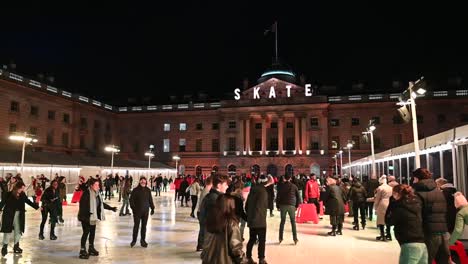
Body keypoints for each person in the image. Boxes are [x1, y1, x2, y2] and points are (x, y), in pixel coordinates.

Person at [412, 168, 450, 264]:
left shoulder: (418, 193)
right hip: (442, 231)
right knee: (443, 260)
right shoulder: (438, 192)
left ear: (417, 178)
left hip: (427, 232)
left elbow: (417, 214)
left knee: (424, 260)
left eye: (414, 178)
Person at [78, 178, 117, 259]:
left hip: (93, 217)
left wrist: (111, 208)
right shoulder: (87, 194)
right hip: (86, 217)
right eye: (96, 185)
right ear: (91, 186)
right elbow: (82, 206)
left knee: (92, 233)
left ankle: (91, 248)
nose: (98, 186)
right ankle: (82, 250)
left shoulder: (97, 194)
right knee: (86, 233)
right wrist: (87, 215)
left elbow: (101, 204)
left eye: (98, 185)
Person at [388, 184, 428, 264]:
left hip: (409, 243)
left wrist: (391, 204)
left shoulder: (399, 207)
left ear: (396, 194)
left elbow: (389, 221)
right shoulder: (418, 204)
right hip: (422, 243)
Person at [201, 194, 245, 264]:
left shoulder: (210, 220)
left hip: (208, 260)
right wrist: (244, 261)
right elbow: (236, 249)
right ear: (230, 206)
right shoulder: (231, 223)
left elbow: (205, 242)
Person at [0, 182, 39, 256]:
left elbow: (28, 201)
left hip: (19, 215)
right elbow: (2, 203)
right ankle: (4, 247)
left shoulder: (22, 194)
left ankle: (16, 246)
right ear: (17, 188)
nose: (23, 190)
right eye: (22, 188)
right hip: (8, 215)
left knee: (18, 230)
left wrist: (37, 207)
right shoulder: (8, 194)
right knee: (7, 231)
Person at [200, 175, 231, 254]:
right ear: (219, 185)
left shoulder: (212, 196)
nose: (227, 186)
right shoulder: (215, 199)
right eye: (225, 184)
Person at [245, 174, 270, 264]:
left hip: (252, 220)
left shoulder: (252, 190)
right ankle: (261, 258)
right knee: (262, 240)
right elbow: (263, 206)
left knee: (252, 239)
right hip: (260, 220)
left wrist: (250, 216)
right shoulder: (263, 191)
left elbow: (247, 206)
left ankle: (248, 257)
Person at [129, 177, 155, 248]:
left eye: (144, 181)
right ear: (139, 182)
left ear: (146, 182)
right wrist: (133, 209)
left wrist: (152, 208)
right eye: (142, 181)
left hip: (145, 212)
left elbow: (150, 200)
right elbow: (131, 200)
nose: (143, 182)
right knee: (136, 227)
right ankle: (134, 240)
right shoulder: (135, 190)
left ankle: (143, 241)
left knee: (144, 227)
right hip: (137, 212)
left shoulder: (148, 190)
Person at [276, 174, 300, 245]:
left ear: (284, 179)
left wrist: (278, 206)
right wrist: (296, 206)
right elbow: (298, 197)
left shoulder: (281, 186)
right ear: (290, 178)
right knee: (293, 222)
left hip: (283, 205)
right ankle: (295, 239)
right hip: (291, 205)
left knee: (282, 222)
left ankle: (280, 238)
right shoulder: (294, 186)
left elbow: (278, 197)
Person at [196, 176, 212, 251]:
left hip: (201, 212)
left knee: (203, 229)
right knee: (203, 230)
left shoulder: (206, 190)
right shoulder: (207, 191)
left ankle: (201, 245)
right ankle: (201, 245)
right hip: (202, 213)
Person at [374, 175, 393, 241]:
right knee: (388, 219)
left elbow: (377, 198)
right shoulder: (390, 188)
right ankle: (388, 234)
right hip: (389, 203)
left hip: (382, 203)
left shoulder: (380, 188)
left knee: (381, 220)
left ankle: (382, 235)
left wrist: (375, 207)